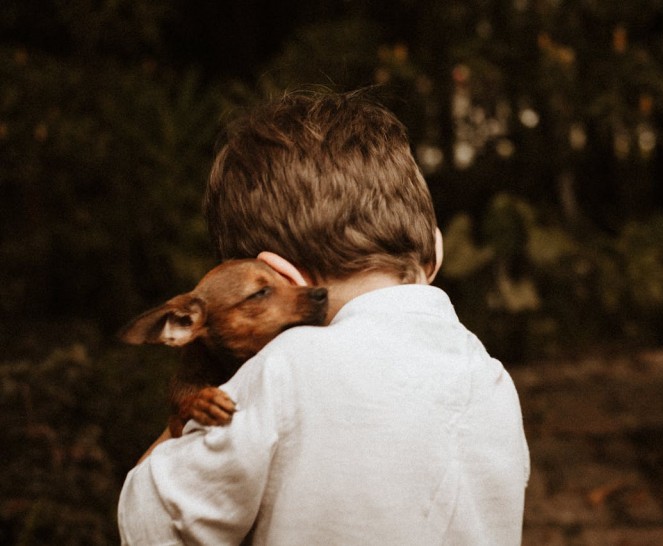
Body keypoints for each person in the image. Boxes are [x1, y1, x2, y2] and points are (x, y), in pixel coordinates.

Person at [118, 89, 530, 545]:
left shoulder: (286, 370)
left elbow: (150, 525)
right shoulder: (492, 381)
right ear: (434, 251)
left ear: (279, 275)